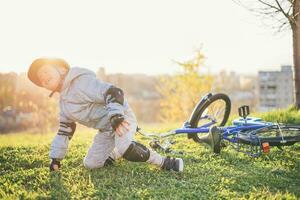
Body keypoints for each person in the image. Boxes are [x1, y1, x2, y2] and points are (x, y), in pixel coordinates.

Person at [27, 58, 184, 172]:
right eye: (41, 80)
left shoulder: (81, 82)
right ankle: (115, 153)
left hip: (121, 118)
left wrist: (116, 116)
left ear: (60, 69)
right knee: (91, 164)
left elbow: (114, 92)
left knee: (126, 147)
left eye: (45, 71)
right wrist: (56, 159)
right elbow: (64, 132)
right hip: (107, 129)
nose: (44, 78)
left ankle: (165, 162)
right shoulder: (64, 105)